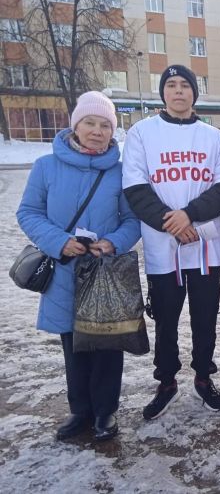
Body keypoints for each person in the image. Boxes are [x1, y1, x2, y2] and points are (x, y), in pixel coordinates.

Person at [17, 91, 140, 441]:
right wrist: (59, 241)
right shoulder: (46, 167)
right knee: (73, 346)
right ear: (75, 125)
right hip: (64, 271)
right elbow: (28, 212)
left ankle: (106, 412)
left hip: (103, 273)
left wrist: (112, 241)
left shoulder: (120, 173)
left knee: (107, 345)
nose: (97, 131)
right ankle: (80, 412)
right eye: (90, 123)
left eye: (105, 125)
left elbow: (132, 221)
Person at [122, 64, 220, 420]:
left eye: (185, 85)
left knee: (205, 318)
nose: (178, 91)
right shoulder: (142, 133)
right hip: (163, 247)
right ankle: (166, 380)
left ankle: (204, 377)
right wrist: (171, 222)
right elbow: (135, 189)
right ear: (163, 93)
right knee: (166, 319)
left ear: (193, 93)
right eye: (170, 85)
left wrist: (189, 214)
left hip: (203, 244)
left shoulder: (213, 136)